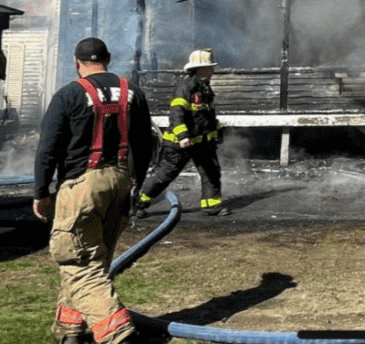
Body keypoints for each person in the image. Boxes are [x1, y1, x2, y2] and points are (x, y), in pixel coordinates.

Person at [33, 37, 153, 344]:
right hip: (120, 181)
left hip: (82, 186)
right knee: (92, 261)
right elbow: (144, 143)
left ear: (77, 63)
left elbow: (47, 149)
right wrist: (136, 185)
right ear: (108, 60)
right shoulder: (132, 93)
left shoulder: (70, 93)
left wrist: (41, 192)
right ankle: (70, 331)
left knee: (79, 264)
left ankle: (119, 335)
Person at [135, 48, 229, 218]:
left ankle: (211, 205)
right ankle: (137, 204)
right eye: (210, 67)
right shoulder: (185, 88)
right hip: (180, 143)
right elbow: (176, 114)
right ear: (201, 69)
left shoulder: (205, 89)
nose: (213, 71)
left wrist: (215, 132)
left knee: (211, 171)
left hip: (201, 142)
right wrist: (183, 136)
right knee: (166, 174)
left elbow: (205, 116)